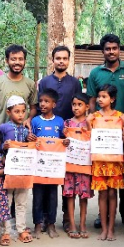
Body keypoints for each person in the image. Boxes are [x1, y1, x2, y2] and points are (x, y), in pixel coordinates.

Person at [87, 34, 124, 230]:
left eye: (114, 48)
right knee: (104, 171)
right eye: (108, 49)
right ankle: (103, 215)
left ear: (119, 49)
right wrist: (94, 125)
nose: (111, 51)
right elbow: (92, 101)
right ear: (102, 51)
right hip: (104, 132)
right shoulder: (95, 73)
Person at [38, 46, 82, 231]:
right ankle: (46, 218)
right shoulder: (45, 81)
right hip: (48, 135)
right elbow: (38, 104)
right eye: (58, 58)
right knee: (46, 176)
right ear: (53, 60)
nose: (61, 61)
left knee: (66, 177)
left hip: (68, 135)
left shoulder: (74, 83)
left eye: (65, 58)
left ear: (69, 60)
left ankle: (66, 216)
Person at [87, 84, 124, 241]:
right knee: (102, 194)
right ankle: (103, 228)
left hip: (114, 161)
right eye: (99, 96)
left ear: (112, 99)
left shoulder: (120, 116)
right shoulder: (94, 116)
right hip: (99, 161)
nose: (100, 99)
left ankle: (111, 228)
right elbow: (90, 137)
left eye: (104, 96)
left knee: (112, 193)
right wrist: (87, 122)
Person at [30, 88, 68, 239]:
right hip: (39, 165)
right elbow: (31, 139)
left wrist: (65, 141)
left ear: (54, 104)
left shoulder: (60, 121)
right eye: (41, 101)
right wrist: (31, 139)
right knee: (37, 195)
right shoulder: (35, 121)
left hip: (54, 167)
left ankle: (51, 224)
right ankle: (38, 225)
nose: (43, 104)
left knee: (52, 195)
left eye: (46, 101)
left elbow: (64, 139)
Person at [0, 95, 37, 244]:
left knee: (22, 201)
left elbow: (32, 146)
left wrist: (31, 139)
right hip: (8, 170)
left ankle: (21, 229)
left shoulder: (28, 128)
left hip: (24, 171)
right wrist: (4, 146)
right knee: (6, 201)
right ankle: (6, 232)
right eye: (17, 111)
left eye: (23, 111)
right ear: (9, 112)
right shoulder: (3, 128)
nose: (21, 114)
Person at [0, 44, 38, 130]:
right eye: (13, 59)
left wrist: (29, 119)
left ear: (25, 61)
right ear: (7, 61)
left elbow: (33, 108)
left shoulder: (30, 84)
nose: (17, 62)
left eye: (20, 59)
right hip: (0, 135)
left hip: (22, 135)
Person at [63, 93, 93, 239]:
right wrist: (65, 142)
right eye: (74, 104)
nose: (76, 107)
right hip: (70, 165)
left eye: (80, 105)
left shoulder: (90, 122)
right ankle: (72, 224)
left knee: (83, 196)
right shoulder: (67, 123)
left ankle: (82, 224)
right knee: (70, 195)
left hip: (85, 166)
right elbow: (63, 141)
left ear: (87, 107)